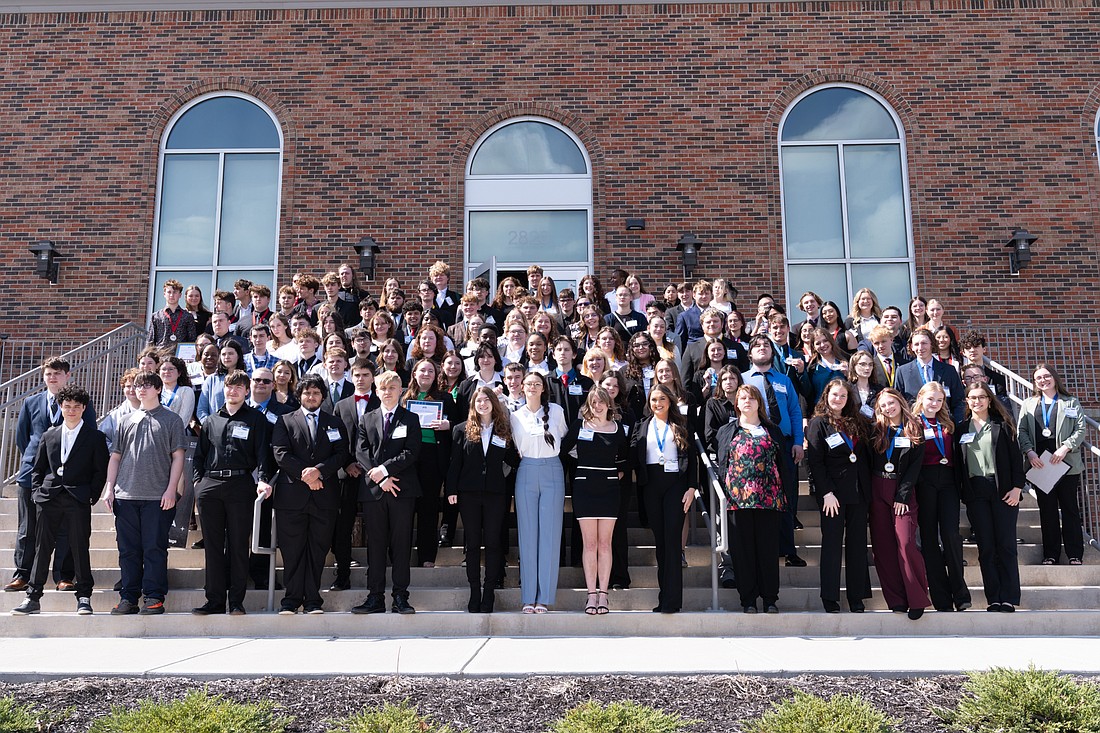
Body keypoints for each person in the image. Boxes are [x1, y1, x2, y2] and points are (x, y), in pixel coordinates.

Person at [10, 386, 108, 616]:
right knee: (42, 548)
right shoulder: (49, 435)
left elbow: (99, 471)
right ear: (61, 407)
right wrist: (37, 493)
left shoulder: (95, 437)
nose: (71, 410)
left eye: (76, 406)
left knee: (79, 547)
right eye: (67, 406)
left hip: (77, 499)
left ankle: (84, 597)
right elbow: (38, 468)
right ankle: (33, 597)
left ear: (84, 408)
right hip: (49, 498)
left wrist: (91, 495)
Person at [103, 371, 188, 615]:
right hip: (126, 495)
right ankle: (128, 597)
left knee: (154, 548)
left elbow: (178, 457)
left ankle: (154, 597)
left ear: (159, 389)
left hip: (157, 497)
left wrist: (171, 489)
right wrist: (110, 488)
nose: (141, 389)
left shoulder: (171, 420)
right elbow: (116, 456)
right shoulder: (125, 420)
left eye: (148, 385)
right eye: (138, 385)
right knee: (128, 550)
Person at [192, 370, 275, 615]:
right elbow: (199, 456)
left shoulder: (256, 420)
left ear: (246, 391)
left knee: (239, 545)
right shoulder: (210, 421)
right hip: (211, 487)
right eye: (230, 386)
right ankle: (215, 600)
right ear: (224, 389)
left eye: (239, 387)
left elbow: (263, 456)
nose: (233, 391)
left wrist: (262, 480)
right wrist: (199, 484)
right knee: (214, 547)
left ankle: (236, 601)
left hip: (240, 487)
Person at [7, 358, 93, 593]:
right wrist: (38, 464)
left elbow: (89, 439)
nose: (52, 377)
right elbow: (23, 439)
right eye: (48, 374)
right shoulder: (31, 403)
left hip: (67, 479)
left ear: (67, 375)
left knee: (65, 530)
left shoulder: (80, 403)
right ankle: (23, 574)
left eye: (57, 373)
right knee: (28, 527)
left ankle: (63, 576)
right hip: (32, 476)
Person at [269, 375, 348, 615]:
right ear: (299, 395)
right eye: (306, 393)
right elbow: (280, 453)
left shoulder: (334, 422)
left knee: (317, 550)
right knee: (292, 551)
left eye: (315, 393)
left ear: (322, 396)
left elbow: (342, 453)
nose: (311, 397)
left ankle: (313, 600)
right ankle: (291, 600)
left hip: (324, 496)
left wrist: (319, 472)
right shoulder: (285, 421)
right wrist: (306, 475)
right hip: (292, 498)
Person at [351, 370, 422, 615]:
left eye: (393, 388)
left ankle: (401, 597)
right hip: (374, 492)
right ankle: (375, 597)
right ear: (376, 391)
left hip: (402, 489)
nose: (388, 392)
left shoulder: (410, 419)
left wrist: (384, 470)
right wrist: (380, 478)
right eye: (384, 388)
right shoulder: (367, 419)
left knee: (401, 545)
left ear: (400, 390)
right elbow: (361, 452)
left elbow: (411, 452)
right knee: (376, 546)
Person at [714, 384, 790, 613]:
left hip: (768, 498)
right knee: (743, 552)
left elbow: (782, 463)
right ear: (736, 403)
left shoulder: (772, 430)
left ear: (759, 402)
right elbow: (722, 463)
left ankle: (769, 599)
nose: (747, 401)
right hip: (737, 500)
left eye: (751, 398)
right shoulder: (726, 431)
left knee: (767, 551)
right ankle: (748, 600)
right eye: (742, 398)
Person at [445, 386, 519, 613]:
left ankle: (489, 594)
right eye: (478, 400)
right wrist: (451, 490)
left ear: (493, 403)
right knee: (473, 544)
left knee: (494, 543)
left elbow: (514, 459)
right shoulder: (461, 430)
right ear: (473, 404)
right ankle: (474, 592)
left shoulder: (503, 430)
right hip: (469, 493)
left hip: (496, 494)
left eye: (487, 400)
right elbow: (455, 463)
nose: (482, 404)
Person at [805, 379, 872, 613]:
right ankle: (830, 597)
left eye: (843, 396)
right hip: (832, 495)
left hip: (858, 493)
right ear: (826, 396)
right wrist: (826, 493)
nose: (839, 399)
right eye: (834, 395)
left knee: (857, 546)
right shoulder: (818, 423)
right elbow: (815, 462)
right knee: (832, 545)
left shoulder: (858, 422)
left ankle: (856, 597)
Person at [560, 387, 629, 615]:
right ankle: (591, 595)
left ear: (609, 404)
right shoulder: (579, 427)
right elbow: (562, 450)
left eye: (601, 402)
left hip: (609, 488)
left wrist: (617, 472)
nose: (597, 406)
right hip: (584, 487)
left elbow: (625, 458)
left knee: (605, 544)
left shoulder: (618, 429)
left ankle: (604, 595)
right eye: (593, 402)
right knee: (589, 544)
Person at [958, 382, 1024, 611]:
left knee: (1005, 546)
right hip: (976, 492)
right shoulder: (961, 428)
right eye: (972, 398)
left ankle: (1009, 597)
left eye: (981, 397)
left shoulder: (1003, 425)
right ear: (967, 401)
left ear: (989, 399)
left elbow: (1017, 460)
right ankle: (993, 598)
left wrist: (1017, 488)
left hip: (1004, 490)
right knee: (986, 548)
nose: (977, 401)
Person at [741, 335, 806, 567]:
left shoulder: (784, 380)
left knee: (787, 498)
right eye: (757, 346)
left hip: (785, 444)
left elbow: (795, 411)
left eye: (766, 345)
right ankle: (763, 550)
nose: (762, 348)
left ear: (772, 352)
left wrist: (798, 441)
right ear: (750, 353)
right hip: (756, 446)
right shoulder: (742, 379)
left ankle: (788, 550)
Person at [631, 384, 696, 614]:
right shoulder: (642, 426)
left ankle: (672, 601)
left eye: (661, 399)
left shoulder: (681, 425)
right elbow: (632, 454)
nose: (657, 404)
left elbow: (692, 458)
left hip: (675, 485)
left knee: (672, 542)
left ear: (669, 401)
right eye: (653, 400)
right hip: (651, 485)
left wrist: (691, 487)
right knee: (660, 543)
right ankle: (663, 597)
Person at [868, 387, 930, 620]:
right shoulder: (875, 431)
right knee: (883, 548)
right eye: (883, 405)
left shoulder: (914, 429)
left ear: (899, 402)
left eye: (891, 403)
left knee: (905, 543)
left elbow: (915, 467)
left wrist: (902, 496)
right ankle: (896, 600)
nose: (887, 408)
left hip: (902, 489)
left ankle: (916, 597)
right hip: (877, 488)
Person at [510, 371, 568, 613]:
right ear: (521, 387)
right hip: (526, 471)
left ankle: (544, 596)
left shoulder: (556, 411)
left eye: (537, 384)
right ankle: (528, 597)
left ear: (543, 388)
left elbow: (564, 436)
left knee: (550, 536)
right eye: (528, 384)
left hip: (552, 470)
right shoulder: (515, 416)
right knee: (528, 535)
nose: (532, 387)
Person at [1018, 363, 1086, 566]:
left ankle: (1075, 554)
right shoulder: (1028, 404)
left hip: (1065, 463)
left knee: (1070, 509)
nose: (1043, 380)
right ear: (1035, 382)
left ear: (1054, 378)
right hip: (1040, 464)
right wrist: (1029, 452)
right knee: (1047, 511)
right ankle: (1050, 555)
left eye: (1046, 376)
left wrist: (1066, 447)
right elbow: (1021, 431)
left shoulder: (1070, 402)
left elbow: (1080, 429)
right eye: (1038, 378)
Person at [912, 381, 971, 612]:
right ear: (921, 398)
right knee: (928, 540)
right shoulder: (913, 424)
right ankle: (941, 598)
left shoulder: (949, 424)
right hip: (924, 482)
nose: (934, 404)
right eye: (930, 399)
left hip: (948, 482)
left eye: (939, 400)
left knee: (950, 535)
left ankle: (961, 593)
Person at [403, 359, 455, 568]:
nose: (426, 373)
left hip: (433, 457)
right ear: (414, 373)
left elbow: (462, 424)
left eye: (430, 371)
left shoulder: (446, 398)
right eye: (422, 370)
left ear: (436, 375)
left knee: (429, 508)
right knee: (404, 509)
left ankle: (427, 556)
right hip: (407, 457)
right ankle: (400, 555)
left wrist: (448, 424)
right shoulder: (403, 397)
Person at [894, 328, 965, 422]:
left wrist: (955, 424)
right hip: (914, 427)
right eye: (916, 344)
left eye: (924, 343)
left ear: (932, 344)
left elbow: (959, 401)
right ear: (911, 347)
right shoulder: (902, 372)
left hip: (944, 428)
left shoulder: (949, 370)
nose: (920, 348)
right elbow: (899, 402)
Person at [197, 340, 245, 421]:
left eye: (231, 353)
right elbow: (201, 410)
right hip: (214, 428)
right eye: (223, 354)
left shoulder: (246, 379)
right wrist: (209, 426)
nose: (227, 357)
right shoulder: (211, 379)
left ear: (238, 356)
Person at [801, 327, 849, 407]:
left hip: (843, 408)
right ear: (814, 347)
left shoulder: (846, 359)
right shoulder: (811, 367)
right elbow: (807, 394)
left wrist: (848, 375)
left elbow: (855, 386)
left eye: (825, 340)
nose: (822, 345)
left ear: (831, 341)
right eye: (818, 343)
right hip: (821, 410)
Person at [148, 278, 197, 348]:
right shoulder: (156, 316)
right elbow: (150, 341)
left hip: (180, 356)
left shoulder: (187, 316)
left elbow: (192, 340)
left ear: (180, 295)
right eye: (169, 292)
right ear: (164, 294)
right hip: (160, 356)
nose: (171, 295)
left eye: (175, 292)